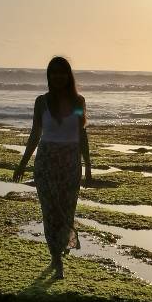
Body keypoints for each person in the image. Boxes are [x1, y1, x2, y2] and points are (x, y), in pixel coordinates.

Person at [12, 56, 92, 278]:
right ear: (49, 76)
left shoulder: (78, 102)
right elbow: (34, 135)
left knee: (66, 211)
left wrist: (88, 167)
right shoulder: (41, 102)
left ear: (68, 76)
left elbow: (81, 134)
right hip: (46, 163)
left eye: (62, 72)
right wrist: (22, 164)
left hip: (70, 163)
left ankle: (60, 247)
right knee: (49, 212)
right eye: (54, 73)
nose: (58, 76)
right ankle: (57, 261)